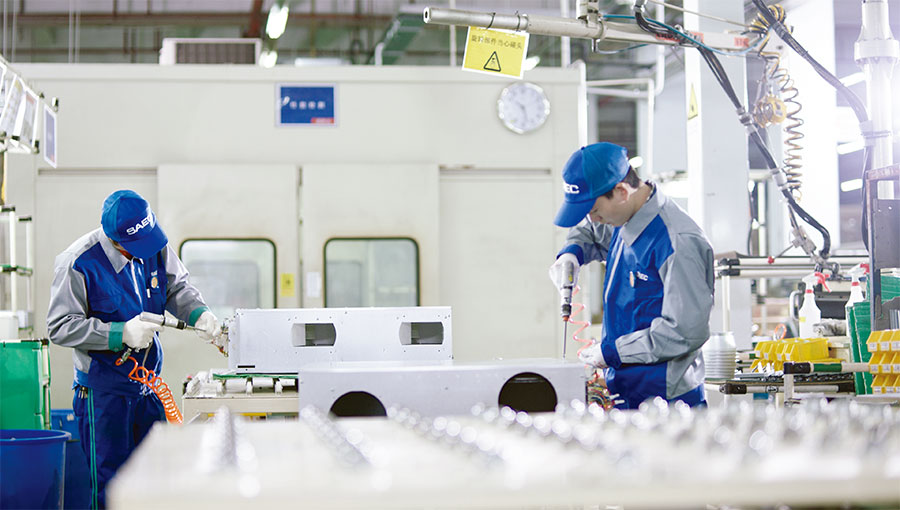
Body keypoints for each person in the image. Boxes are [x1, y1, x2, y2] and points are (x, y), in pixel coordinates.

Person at [47, 190, 224, 509]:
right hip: (103, 397)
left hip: (148, 390)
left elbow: (177, 288)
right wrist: (119, 333)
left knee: (155, 482)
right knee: (111, 488)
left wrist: (200, 314)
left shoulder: (152, 243)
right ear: (115, 240)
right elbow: (60, 326)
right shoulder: (77, 263)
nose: (145, 252)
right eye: (134, 247)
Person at [548, 142, 714, 409]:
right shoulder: (623, 219)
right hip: (625, 395)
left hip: (670, 403)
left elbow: (685, 331)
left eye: (594, 210)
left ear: (622, 191)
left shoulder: (677, 242)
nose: (593, 219)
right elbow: (589, 232)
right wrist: (572, 253)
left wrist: (613, 351)